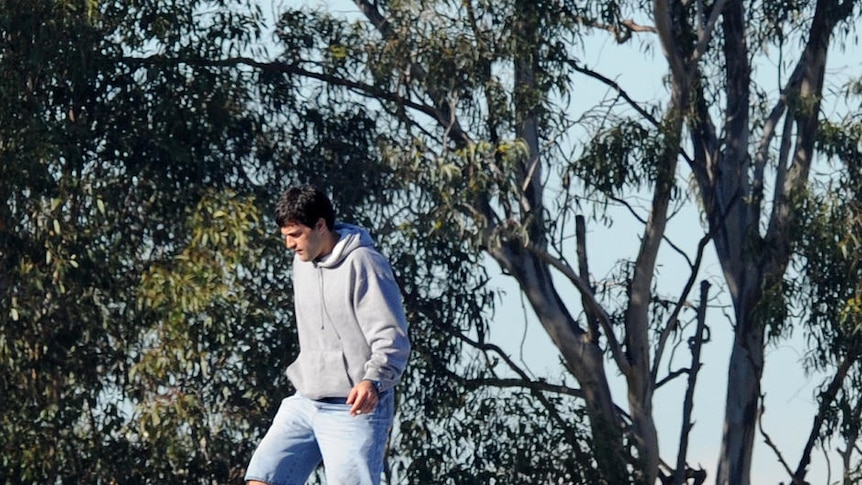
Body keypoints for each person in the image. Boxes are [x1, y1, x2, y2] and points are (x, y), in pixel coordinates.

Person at [245, 185, 411, 485]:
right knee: (261, 478)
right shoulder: (302, 262)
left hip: (353, 408)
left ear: (321, 225)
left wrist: (373, 380)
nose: (289, 244)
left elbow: (392, 336)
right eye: (284, 236)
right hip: (306, 399)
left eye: (295, 234)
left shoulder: (364, 262)